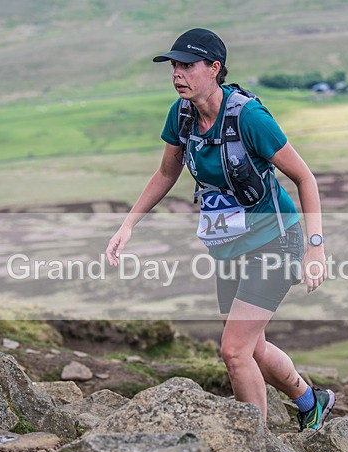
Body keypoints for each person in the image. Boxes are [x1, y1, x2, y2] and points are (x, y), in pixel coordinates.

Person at [106, 28, 335, 431]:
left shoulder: (249, 117)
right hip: (228, 248)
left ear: (214, 69)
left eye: (187, 65)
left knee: (233, 351)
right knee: (254, 348)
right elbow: (166, 173)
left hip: (276, 241)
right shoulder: (181, 115)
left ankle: (255, 446)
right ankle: (310, 401)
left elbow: (305, 178)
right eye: (174, 66)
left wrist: (315, 248)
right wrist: (128, 225)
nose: (178, 74)